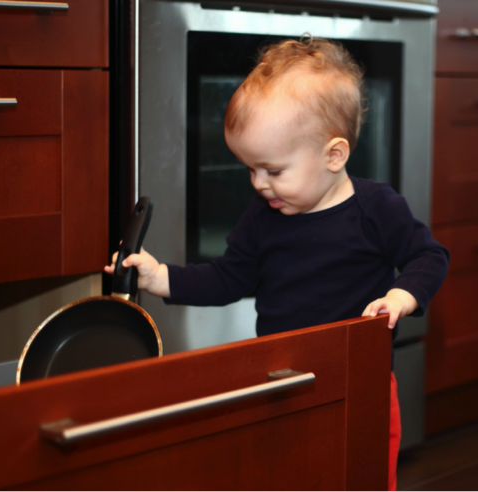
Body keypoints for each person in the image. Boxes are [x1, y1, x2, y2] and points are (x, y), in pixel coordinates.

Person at [106, 35, 449, 492]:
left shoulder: (376, 208)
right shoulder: (263, 217)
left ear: (334, 155)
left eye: (273, 170)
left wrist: (401, 296)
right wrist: (161, 277)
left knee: (359, 472)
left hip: (359, 382)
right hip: (282, 381)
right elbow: (228, 277)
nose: (259, 185)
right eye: (250, 169)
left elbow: (429, 255)